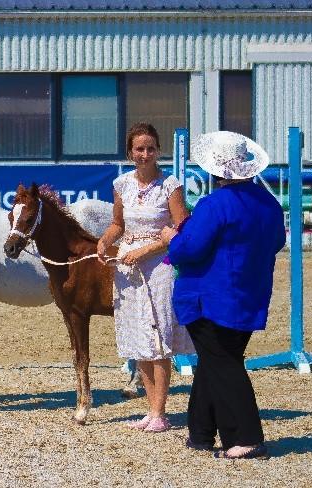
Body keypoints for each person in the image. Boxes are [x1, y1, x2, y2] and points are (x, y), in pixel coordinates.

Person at [159, 131, 285, 460]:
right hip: (249, 294)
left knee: (222, 363)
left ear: (215, 172)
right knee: (216, 362)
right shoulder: (268, 203)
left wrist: (172, 237)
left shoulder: (214, 204)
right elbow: (276, 243)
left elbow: (190, 248)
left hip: (210, 297)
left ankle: (246, 438)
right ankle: (200, 433)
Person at [96, 122, 194, 433]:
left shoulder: (171, 185)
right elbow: (117, 224)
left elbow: (181, 228)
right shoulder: (121, 184)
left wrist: (147, 249)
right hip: (127, 269)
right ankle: (151, 410)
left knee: (158, 335)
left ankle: (160, 411)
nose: (145, 154)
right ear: (130, 152)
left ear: (158, 151)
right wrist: (103, 241)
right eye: (139, 148)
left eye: (151, 148)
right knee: (139, 338)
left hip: (159, 266)